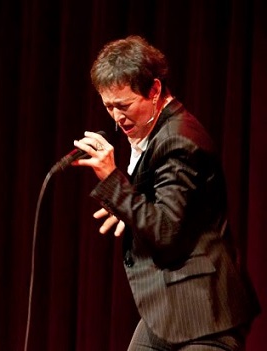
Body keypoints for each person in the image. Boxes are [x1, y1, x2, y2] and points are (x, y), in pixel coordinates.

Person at [72, 35, 260, 350]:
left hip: (204, 313)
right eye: (108, 107)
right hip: (171, 309)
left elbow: (166, 231)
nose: (117, 118)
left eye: (124, 105)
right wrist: (127, 203)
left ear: (155, 90)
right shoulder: (157, 132)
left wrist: (113, 181)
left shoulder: (179, 140)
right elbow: (163, 209)